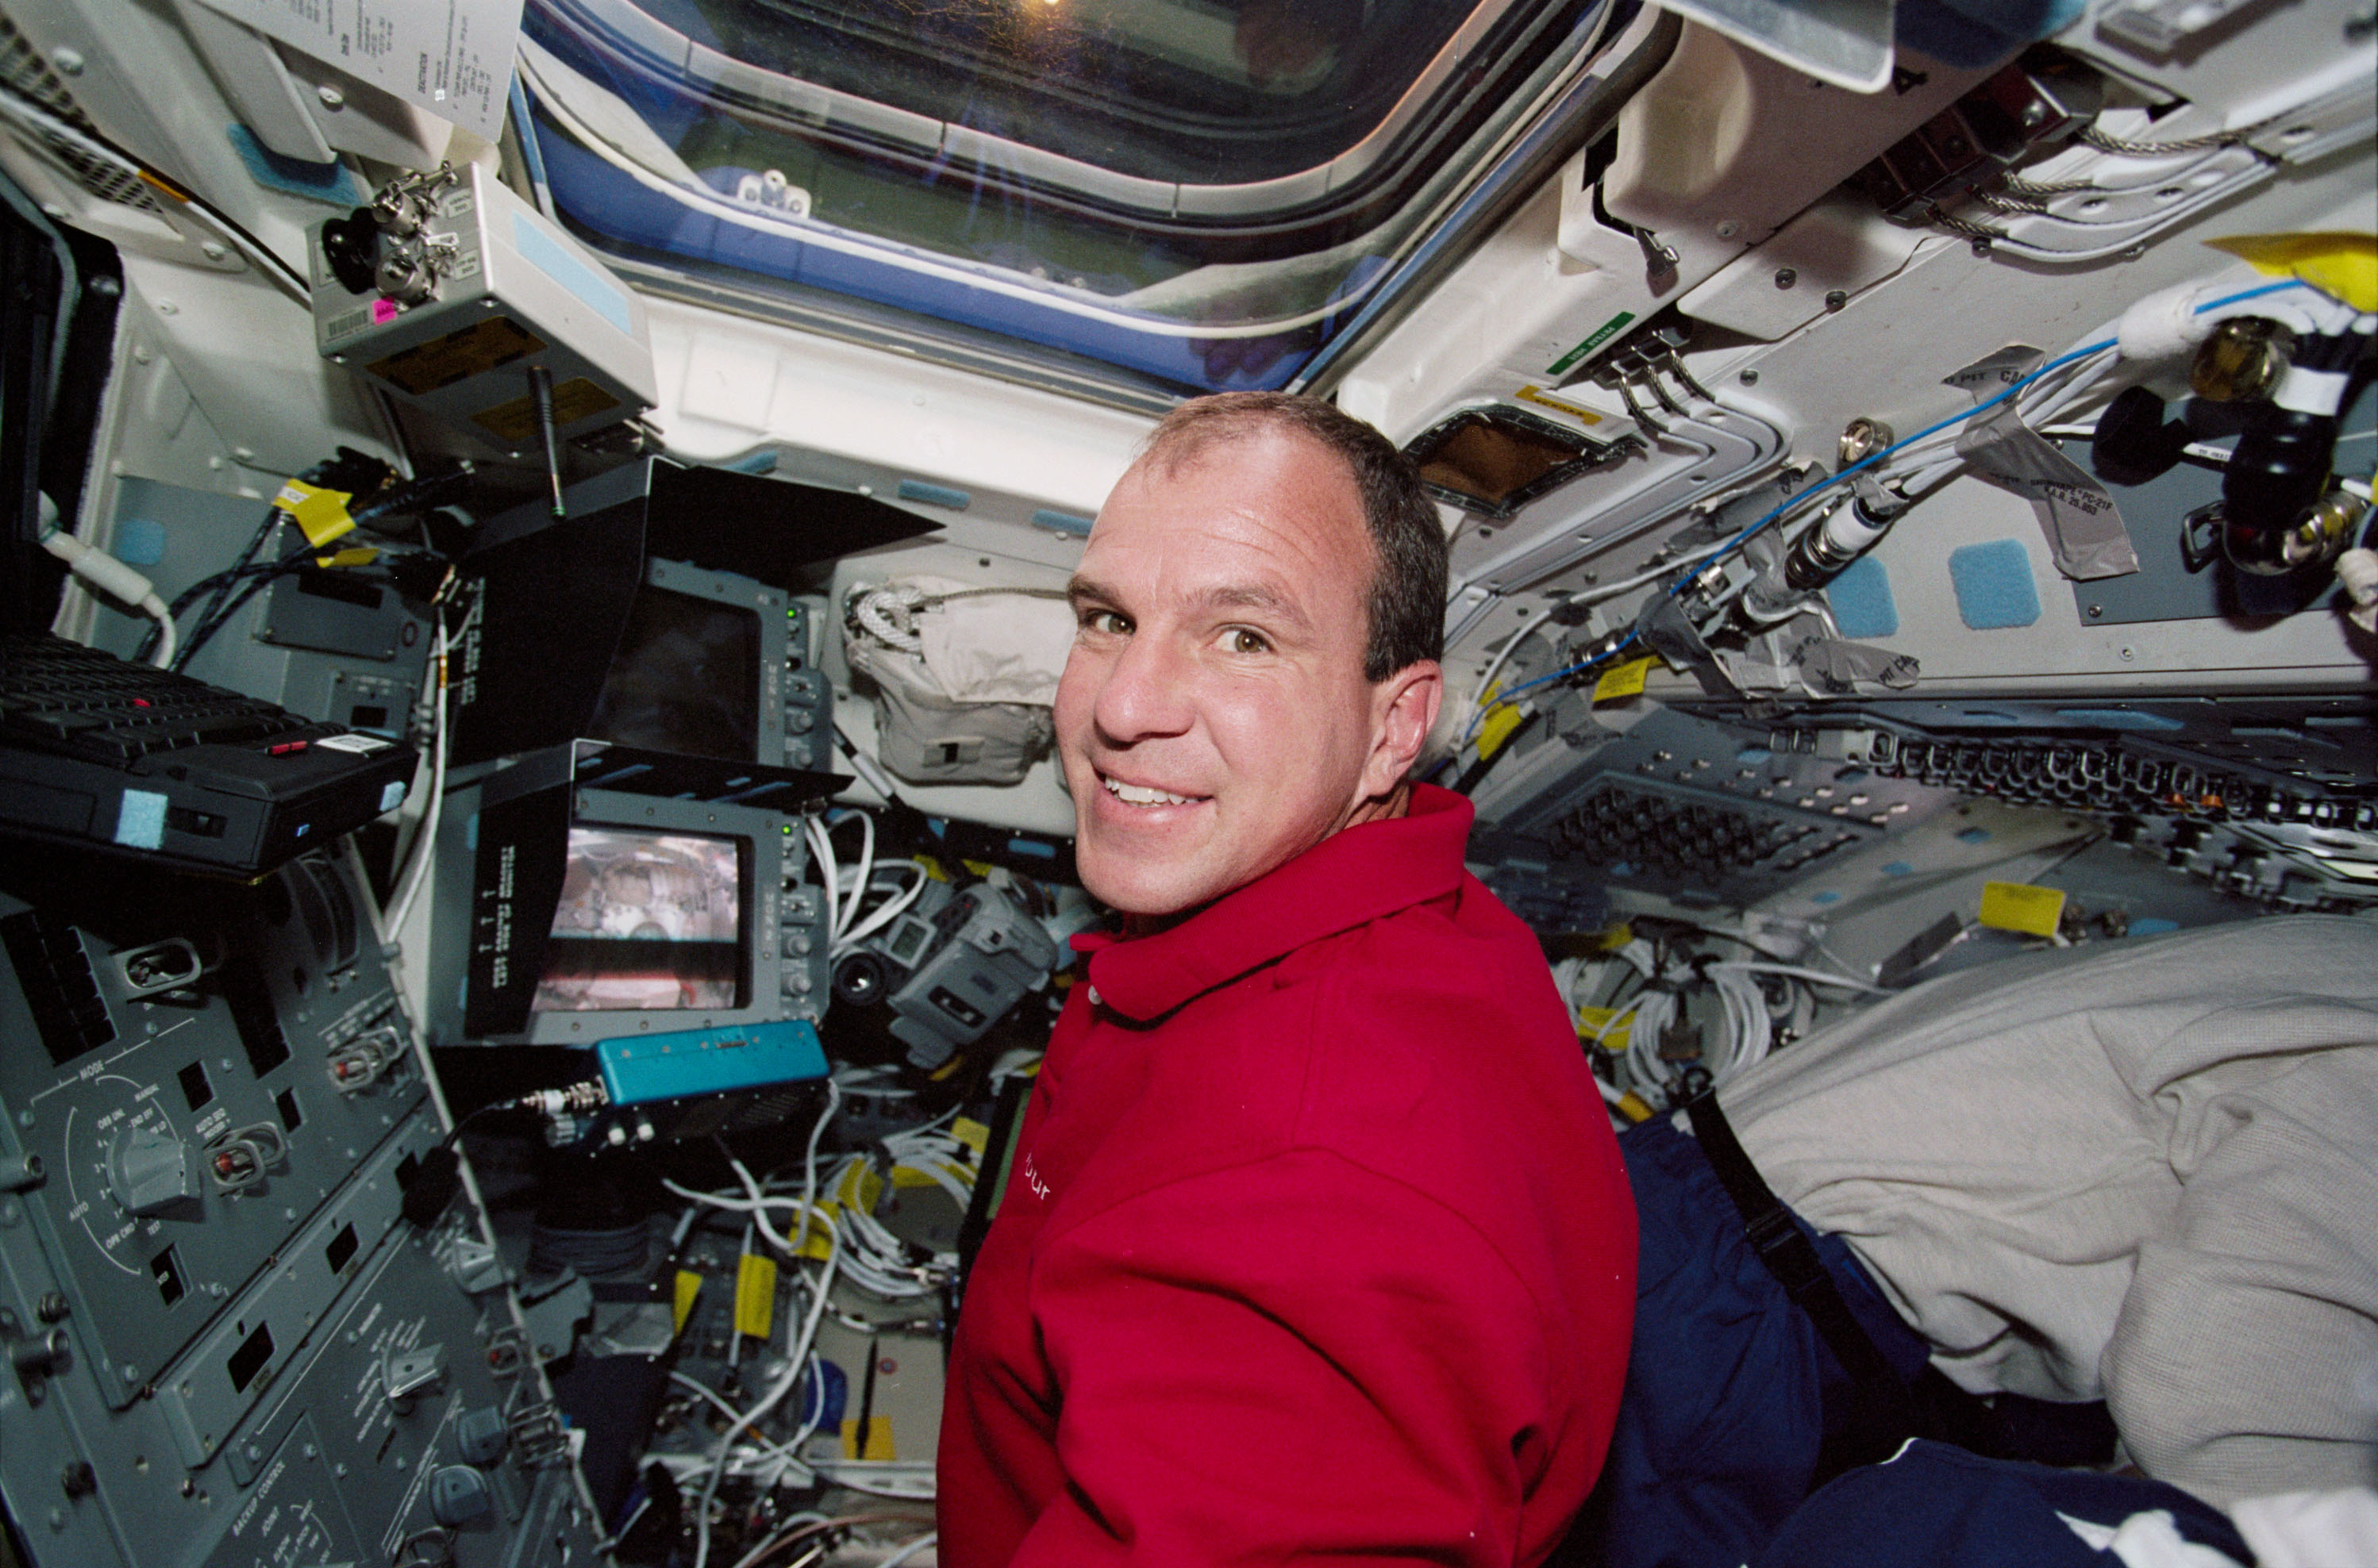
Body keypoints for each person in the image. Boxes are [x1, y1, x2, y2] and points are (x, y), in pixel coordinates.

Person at [936, 391, 1637, 1566]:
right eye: (1109, 619)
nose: (1121, 707)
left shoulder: (1305, 1213)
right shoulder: (1414, 916)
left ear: (1394, 727)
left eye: (1244, 638)